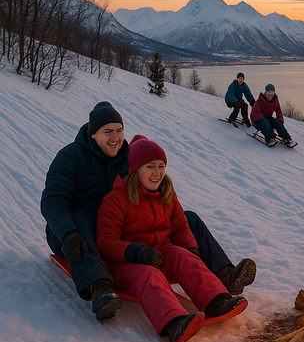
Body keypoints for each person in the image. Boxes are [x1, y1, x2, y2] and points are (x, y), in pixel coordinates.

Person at [41, 102, 257, 321]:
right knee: (82, 219)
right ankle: (100, 288)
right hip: (73, 233)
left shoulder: (126, 156)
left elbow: (148, 178)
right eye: (108, 132)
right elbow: (53, 200)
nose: (115, 137)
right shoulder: (70, 157)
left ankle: (224, 274)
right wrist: (67, 233)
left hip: (120, 224)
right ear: (93, 133)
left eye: (119, 130)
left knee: (187, 219)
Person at [97, 135, 247, 342]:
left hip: (160, 253)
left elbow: (180, 226)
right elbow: (106, 242)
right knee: (148, 274)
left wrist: (191, 250)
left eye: (161, 166)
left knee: (182, 255)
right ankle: (174, 322)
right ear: (135, 169)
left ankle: (216, 301)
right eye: (150, 167)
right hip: (127, 265)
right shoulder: (115, 200)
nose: (157, 173)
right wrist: (136, 252)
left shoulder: (166, 193)